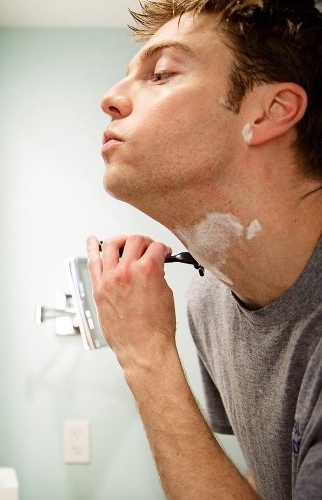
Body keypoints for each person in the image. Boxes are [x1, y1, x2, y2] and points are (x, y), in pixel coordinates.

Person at [87, 0, 322, 498]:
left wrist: (145, 354)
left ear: (272, 110)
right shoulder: (211, 302)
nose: (110, 98)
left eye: (162, 74)